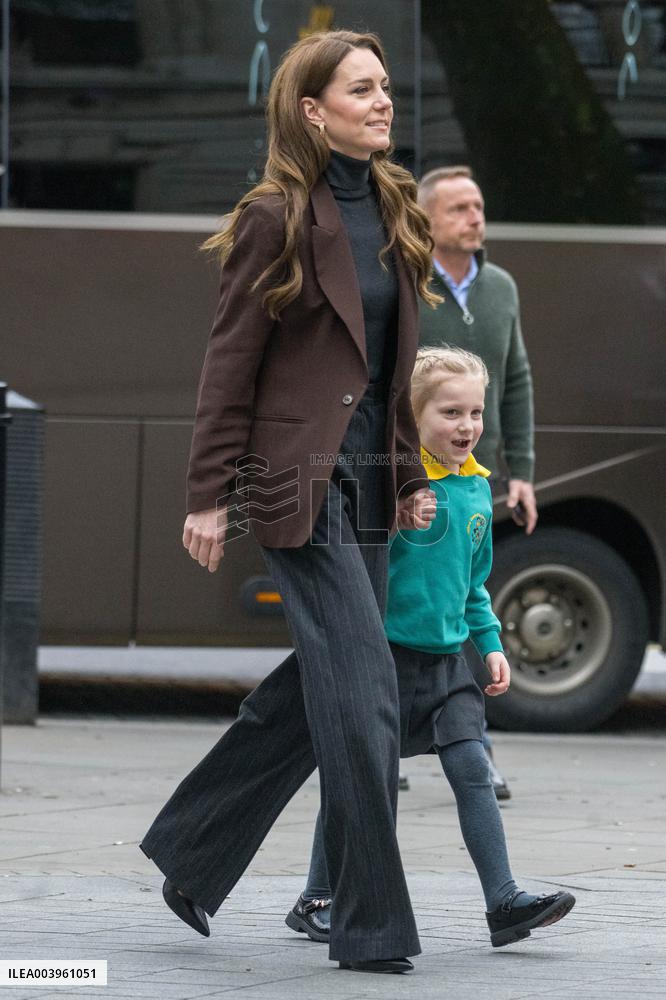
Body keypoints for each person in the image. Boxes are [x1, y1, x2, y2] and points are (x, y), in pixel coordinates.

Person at [139, 30, 440, 976]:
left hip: (374, 482)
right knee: (364, 693)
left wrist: (417, 477)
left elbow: (392, 372)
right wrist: (209, 494)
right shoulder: (274, 216)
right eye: (363, 89)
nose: (384, 101)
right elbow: (229, 363)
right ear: (314, 111)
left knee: (327, 687)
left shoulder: (394, 208)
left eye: (387, 87)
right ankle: (371, 925)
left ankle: (192, 849)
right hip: (289, 479)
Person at [286, 348, 575, 948]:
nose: (467, 426)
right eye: (450, 413)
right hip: (381, 659)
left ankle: (504, 903)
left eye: (476, 412)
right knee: (361, 778)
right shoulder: (390, 483)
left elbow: (473, 585)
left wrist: (490, 643)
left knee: (473, 769)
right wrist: (391, 517)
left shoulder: (474, 490)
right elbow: (350, 563)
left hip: (448, 665)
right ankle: (319, 896)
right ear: (412, 419)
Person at [418, 165, 538, 800]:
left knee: (470, 599)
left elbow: (515, 378)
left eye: (478, 206)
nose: (474, 218)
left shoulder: (501, 287)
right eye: (460, 208)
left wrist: (521, 470)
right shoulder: (407, 283)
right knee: (401, 601)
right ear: (429, 219)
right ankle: (387, 741)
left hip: (476, 479)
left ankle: (476, 749)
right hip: (411, 482)